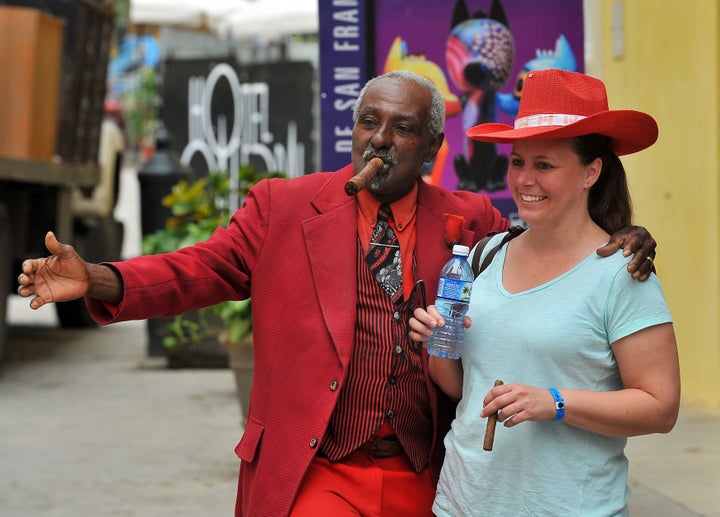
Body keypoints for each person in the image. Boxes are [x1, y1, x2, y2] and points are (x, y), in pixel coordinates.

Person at [17, 70, 657, 517]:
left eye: (402, 128)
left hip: (424, 474)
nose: (379, 139)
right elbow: (198, 270)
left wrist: (622, 232)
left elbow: (553, 242)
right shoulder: (283, 207)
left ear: (433, 147)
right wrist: (99, 278)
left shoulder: (473, 223)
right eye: (368, 122)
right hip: (314, 470)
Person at [409, 69, 680, 516]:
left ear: (591, 171)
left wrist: (554, 402)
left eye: (545, 165)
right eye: (518, 162)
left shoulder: (622, 274)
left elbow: (660, 407)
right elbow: (462, 388)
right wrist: (437, 339)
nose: (524, 180)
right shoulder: (485, 255)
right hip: (462, 502)